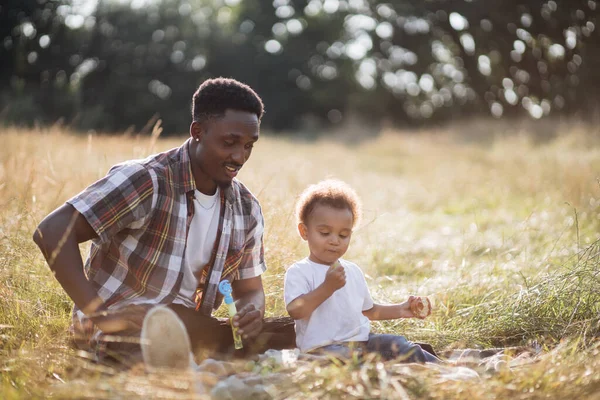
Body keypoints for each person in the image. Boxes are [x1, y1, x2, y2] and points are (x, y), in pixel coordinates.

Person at [33, 77, 294, 368]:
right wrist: (100, 315)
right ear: (198, 131)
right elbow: (52, 231)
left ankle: (201, 368)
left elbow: (250, 291)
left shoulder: (245, 208)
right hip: (121, 330)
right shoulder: (147, 179)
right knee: (150, 359)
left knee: (297, 332)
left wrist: (251, 312)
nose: (239, 156)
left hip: (189, 327)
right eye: (230, 142)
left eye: (249, 146)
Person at [284, 179, 440, 363]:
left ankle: (447, 370)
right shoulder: (299, 271)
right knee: (352, 359)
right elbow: (296, 311)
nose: (335, 240)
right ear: (304, 231)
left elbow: (369, 311)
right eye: (325, 233)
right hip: (321, 349)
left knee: (399, 344)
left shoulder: (352, 270)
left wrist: (401, 309)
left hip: (362, 342)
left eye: (343, 235)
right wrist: (327, 287)